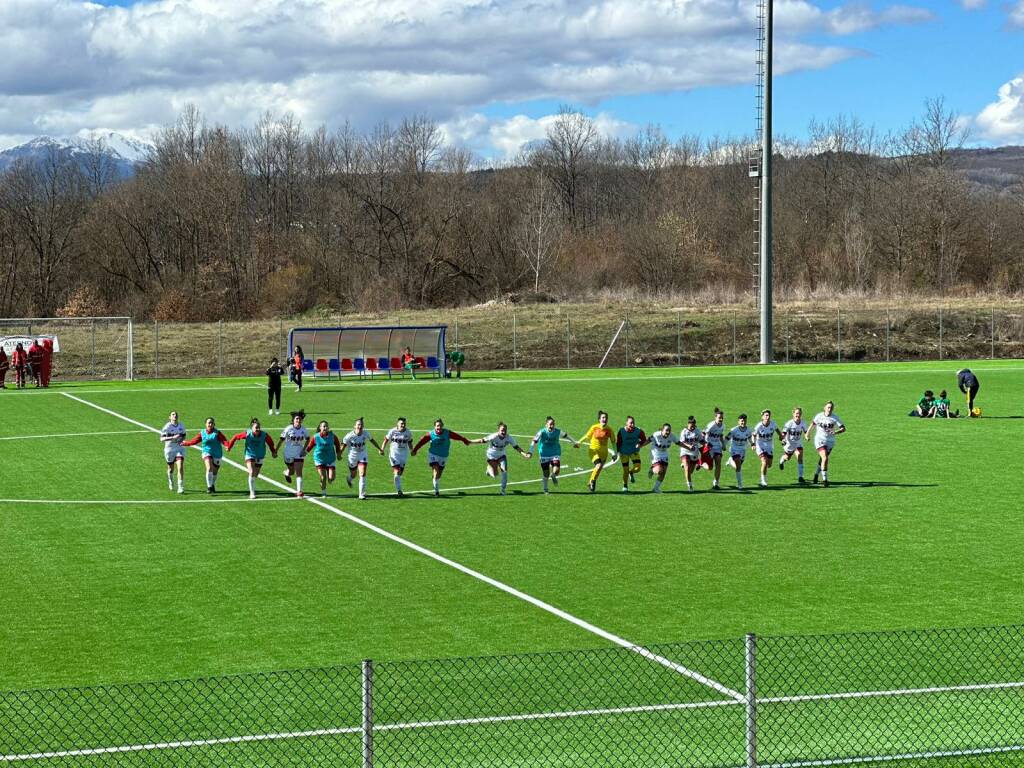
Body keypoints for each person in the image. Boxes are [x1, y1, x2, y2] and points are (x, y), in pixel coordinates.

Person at [411, 419, 471, 496]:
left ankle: (435, 481)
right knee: (436, 471)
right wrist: (415, 450)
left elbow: (456, 436)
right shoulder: (431, 434)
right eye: (437, 426)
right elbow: (422, 442)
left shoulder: (447, 433)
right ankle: (436, 491)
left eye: (440, 426)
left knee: (439, 474)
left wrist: (464, 440)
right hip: (433, 454)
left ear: (442, 426)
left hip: (444, 456)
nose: (439, 427)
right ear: (434, 426)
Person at [469, 422, 530, 495]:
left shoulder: (509, 438)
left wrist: (524, 454)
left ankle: (503, 489)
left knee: (504, 472)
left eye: (505, 430)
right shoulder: (493, 436)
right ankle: (489, 470)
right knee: (495, 475)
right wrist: (470, 441)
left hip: (501, 456)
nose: (504, 432)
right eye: (502, 430)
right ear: (498, 430)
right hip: (491, 455)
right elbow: (482, 440)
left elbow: (516, 447)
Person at [227, 418, 278, 499]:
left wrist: (273, 452)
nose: (257, 429)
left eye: (258, 427)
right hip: (250, 455)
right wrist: (229, 446)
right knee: (251, 472)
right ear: (252, 428)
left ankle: (252, 485)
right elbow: (236, 437)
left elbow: (270, 443)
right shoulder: (247, 434)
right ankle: (252, 492)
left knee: (255, 474)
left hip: (260, 455)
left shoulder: (265, 435)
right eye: (256, 428)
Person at [530, 417, 580, 493]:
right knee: (546, 473)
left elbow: (566, 435)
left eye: (553, 424)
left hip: (555, 453)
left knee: (556, 470)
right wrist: (530, 451)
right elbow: (534, 441)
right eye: (550, 424)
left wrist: (574, 442)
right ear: (546, 425)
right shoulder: (542, 432)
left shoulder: (558, 431)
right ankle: (545, 489)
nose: (552, 426)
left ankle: (553, 475)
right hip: (544, 454)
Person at [181, 417, 229, 493]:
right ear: (205, 424)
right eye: (208, 423)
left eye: (211, 423)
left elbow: (224, 440)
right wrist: (185, 443)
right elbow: (194, 441)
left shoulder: (217, 433)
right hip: (206, 452)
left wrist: (227, 446)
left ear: (214, 424)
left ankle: (212, 484)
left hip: (217, 453)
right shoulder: (202, 433)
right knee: (209, 467)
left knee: (215, 472)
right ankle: (209, 487)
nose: (210, 424)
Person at [342, 417, 383, 500]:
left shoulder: (366, 433)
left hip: (362, 455)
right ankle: (349, 478)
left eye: (361, 424)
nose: (360, 426)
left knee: (362, 473)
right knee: (354, 474)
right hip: (352, 457)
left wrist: (379, 449)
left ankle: (361, 494)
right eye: (358, 424)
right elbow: (343, 445)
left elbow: (372, 440)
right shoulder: (349, 436)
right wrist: (339, 454)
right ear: (354, 426)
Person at [808, 400, 846, 487]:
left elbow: (843, 428)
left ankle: (816, 475)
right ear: (824, 408)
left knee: (822, 459)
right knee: (825, 458)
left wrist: (836, 432)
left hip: (830, 441)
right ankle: (825, 480)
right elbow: (813, 424)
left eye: (831, 407)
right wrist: (807, 434)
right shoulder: (819, 416)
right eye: (828, 407)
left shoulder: (835, 417)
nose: (830, 409)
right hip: (819, 440)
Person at [305, 420, 343, 498]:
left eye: (326, 426)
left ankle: (329, 480)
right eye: (323, 426)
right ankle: (324, 492)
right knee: (323, 476)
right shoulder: (316, 436)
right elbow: (310, 446)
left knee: (331, 478)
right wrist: (304, 453)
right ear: (320, 428)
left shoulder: (333, 436)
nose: (325, 428)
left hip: (330, 459)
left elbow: (337, 445)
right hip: (319, 459)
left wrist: (338, 454)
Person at [582, 411, 617, 493]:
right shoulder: (594, 427)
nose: (604, 419)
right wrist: (579, 442)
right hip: (593, 451)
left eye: (606, 418)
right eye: (603, 418)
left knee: (598, 469)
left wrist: (615, 453)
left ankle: (590, 481)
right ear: (599, 419)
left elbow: (613, 442)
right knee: (598, 465)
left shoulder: (609, 430)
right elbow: (587, 436)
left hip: (604, 453)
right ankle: (593, 482)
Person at [381, 417, 415, 496]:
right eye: (401, 423)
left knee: (400, 473)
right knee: (396, 472)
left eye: (404, 424)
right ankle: (399, 491)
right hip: (394, 454)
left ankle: (397, 485)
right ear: (397, 424)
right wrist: (382, 449)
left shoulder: (408, 432)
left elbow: (409, 442)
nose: (403, 425)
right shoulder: (392, 431)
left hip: (403, 455)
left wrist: (412, 450)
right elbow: (386, 440)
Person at [647, 423, 684, 493]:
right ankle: (652, 470)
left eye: (669, 430)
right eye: (666, 430)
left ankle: (655, 488)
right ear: (662, 430)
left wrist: (688, 447)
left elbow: (679, 443)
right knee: (659, 470)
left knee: (663, 472)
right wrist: (640, 446)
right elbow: (648, 440)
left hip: (664, 454)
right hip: (655, 454)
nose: (668, 432)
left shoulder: (672, 436)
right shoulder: (656, 435)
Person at [280, 410, 310, 497]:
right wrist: (275, 450)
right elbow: (281, 439)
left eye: (300, 419)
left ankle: (299, 491)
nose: (298, 420)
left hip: (298, 453)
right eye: (296, 419)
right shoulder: (288, 429)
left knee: (299, 472)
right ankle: (286, 473)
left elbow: (308, 439)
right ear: (293, 420)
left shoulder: (304, 430)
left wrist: (304, 450)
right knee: (291, 472)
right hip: (288, 453)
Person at [616, 416, 648, 492]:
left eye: (633, 423)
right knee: (625, 470)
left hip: (634, 451)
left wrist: (640, 444)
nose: (632, 425)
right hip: (624, 453)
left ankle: (631, 472)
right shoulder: (621, 431)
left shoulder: (638, 431)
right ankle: (625, 486)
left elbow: (644, 439)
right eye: (631, 423)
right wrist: (616, 453)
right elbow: (618, 443)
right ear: (626, 423)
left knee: (638, 468)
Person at [159, 410, 187, 494]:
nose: (175, 416)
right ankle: (170, 481)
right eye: (173, 414)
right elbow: (161, 439)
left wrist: (181, 439)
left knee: (180, 466)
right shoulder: (167, 427)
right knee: (171, 469)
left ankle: (180, 487)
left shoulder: (181, 425)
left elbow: (184, 435)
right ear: (170, 417)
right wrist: (172, 438)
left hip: (179, 448)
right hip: (169, 449)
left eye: (176, 414)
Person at [753, 409, 783, 488]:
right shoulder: (759, 426)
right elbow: (754, 435)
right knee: (764, 461)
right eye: (766, 415)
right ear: (762, 417)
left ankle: (763, 476)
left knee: (769, 465)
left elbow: (779, 432)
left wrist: (782, 438)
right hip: (760, 445)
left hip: (769, 446)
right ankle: (763, 481)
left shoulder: (773, 424)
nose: (767, 417)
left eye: (769, 415)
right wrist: (753, 444)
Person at [779, 407, 809, 483]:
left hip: (798, 443)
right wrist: (783, 440)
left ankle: (800, 477)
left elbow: (806, 432)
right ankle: (782, 460)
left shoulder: (803, 423)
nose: (798, 415)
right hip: (789, 444)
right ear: (793, 414)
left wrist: (806, 436)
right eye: (796, 413)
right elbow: (783, 433)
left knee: (800, 456)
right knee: (787, 458)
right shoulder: (789, 423)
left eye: (799, 413)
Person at [726, 414, 754, 490]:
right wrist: (723, 446)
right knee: (738, 465)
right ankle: (740, 484)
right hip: (734, 449)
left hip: (743, 450)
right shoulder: (734, 430)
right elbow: (727, 438)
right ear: (738, 422)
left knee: (738, 467)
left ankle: (730, 461)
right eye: (741, 421)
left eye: (744, 421)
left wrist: (752, 444)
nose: (743, 422)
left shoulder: (748, 430)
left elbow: (749, 438)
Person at [679, 416, 704, 492]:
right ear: (688, 424)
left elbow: (701, 441)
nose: (692, 428)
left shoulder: (697, 431)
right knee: (687, 468)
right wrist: (689, 446)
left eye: (694, 426)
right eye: (691, 426)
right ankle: (690, 486)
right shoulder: (684, 431)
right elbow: (682, 442)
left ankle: (685, 464)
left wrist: (706, 444)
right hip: (685, 451)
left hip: (694, 453)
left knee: (690, 471)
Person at [704, 408, 727, 490]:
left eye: (722, 418)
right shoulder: (711, 425)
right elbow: (705, 434)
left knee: (718, 462)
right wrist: (707, 443)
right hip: (709, 446)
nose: (721, 419)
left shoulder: (723, 426)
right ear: (715, 418)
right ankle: (700, 463)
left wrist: (723, 444)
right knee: (710, 467)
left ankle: (716, 483)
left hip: (717, 446)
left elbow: (720, 435)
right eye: (719, 417)